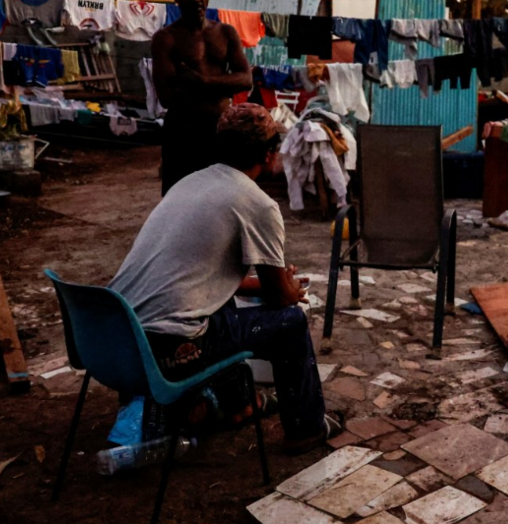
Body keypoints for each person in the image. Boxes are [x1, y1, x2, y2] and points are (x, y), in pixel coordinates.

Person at [109, 103, 338, 452]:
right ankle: (307, 428)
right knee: (290, 322)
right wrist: (287, 286)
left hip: (116, 338)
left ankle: (239, 405)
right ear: (268, 153)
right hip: (168, 348)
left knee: (224, 308)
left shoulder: (190, 183)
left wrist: (269, 283)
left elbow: (200, 277)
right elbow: (280, 299)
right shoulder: (257, 204)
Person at [151, 0, 253, 195]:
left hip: (222, 130)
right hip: (183, 131)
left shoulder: (226, 33)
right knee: (180, 199)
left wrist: (203, 82)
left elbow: (246, 79)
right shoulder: (165, 39)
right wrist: (225, 83)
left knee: (222, 197)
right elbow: (167, 97)